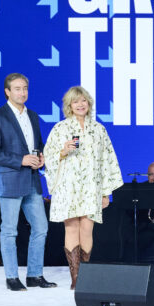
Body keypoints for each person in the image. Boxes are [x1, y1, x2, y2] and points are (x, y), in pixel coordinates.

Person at [43, 86, 124, 289]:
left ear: (89, 104)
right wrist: (62, 152)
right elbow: (48, 158)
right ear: (69, 105)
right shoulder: (60, 128)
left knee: (87, 229)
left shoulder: (99, 130)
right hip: (68, 187)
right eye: (75, 101)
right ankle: (75, 278)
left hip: (91, 187)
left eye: (84, 101)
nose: (80, 105)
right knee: (71, 228)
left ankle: (85, 276)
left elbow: (107, 161)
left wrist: (106, 192)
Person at [0, 73, 53, 291]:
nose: (22, 92)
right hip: (10, 180)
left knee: (41, 227)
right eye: (17, 88)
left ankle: (34, 275)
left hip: (32, 179)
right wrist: (20, 160)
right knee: (9, 231)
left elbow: (38, 144)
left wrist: (40, 157)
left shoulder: (32, 115)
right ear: (7, 91)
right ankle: (12, 277)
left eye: (25, 88)